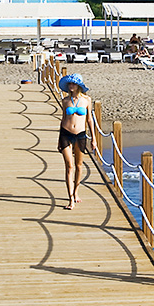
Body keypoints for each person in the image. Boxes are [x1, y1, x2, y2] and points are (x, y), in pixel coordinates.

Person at [57, 73, 95, 210]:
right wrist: (58, 140)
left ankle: (76, 191)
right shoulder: (65, 101)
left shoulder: (87, 100)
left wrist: (93, 138)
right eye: (69, 84)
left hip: (80, 134)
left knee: (79, 166)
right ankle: (71, 199)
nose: (70, 86)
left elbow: (89, 119)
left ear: (78, 85)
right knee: (69, 166)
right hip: (66, 134)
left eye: (73, 84)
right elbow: (63, 119)